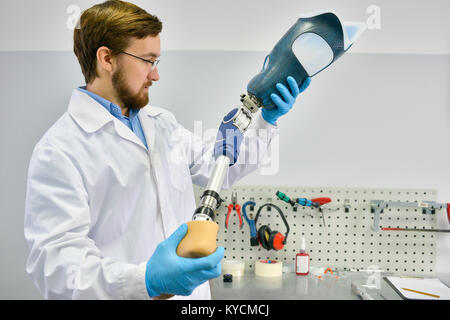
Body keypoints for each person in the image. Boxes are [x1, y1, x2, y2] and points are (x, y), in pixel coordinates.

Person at [24, 0, 310, 300]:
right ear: (106, 58)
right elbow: (56, 269)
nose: (155, 75)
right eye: (148, 60)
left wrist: (266, 120)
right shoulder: (60, 150)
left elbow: (220, 172)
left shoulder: (162, 124)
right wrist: (145, 280)